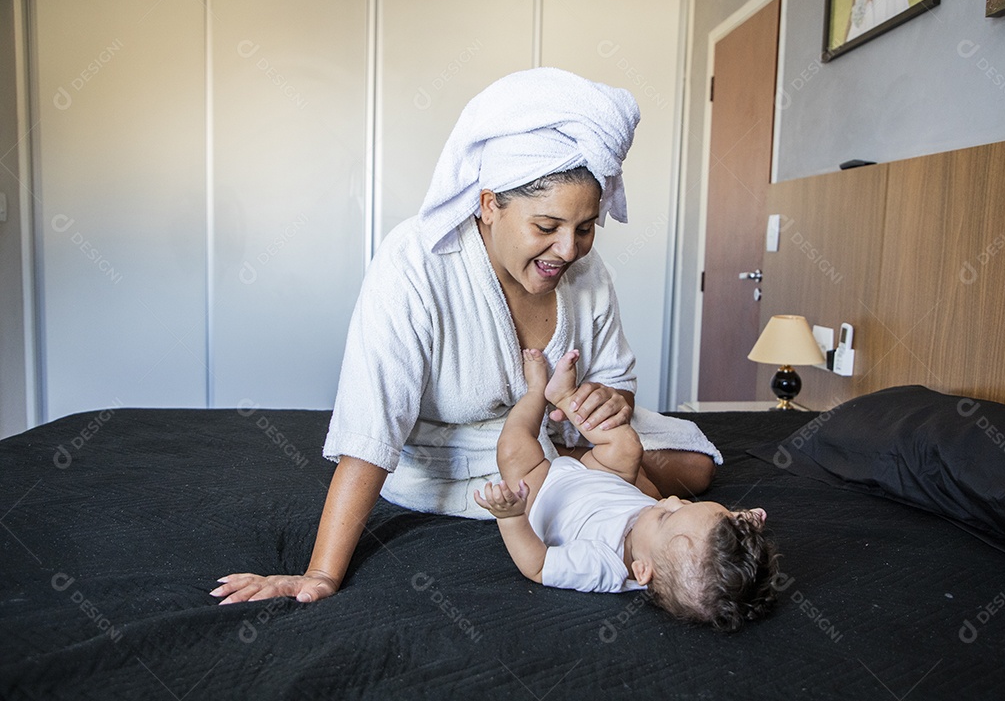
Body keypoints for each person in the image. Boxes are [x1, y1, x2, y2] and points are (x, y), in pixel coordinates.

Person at [212, 68, 721, 606]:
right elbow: (370, 425)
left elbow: (618, 383)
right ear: (489, 204)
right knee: (626, 475)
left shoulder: (588, 275)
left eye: (586, 228)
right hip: (456, 449)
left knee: (696, 467)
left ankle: (577, 476)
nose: (568, 251)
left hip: (567, 437)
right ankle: (575, 479)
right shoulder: (416, 264)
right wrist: (320, 574)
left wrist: (608, 403)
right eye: (546, 227)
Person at [476, 348, 777, 629]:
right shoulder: (668, 542)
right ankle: (564, 396)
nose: (672, 500)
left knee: (513, 449)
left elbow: (538, 567)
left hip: (545, 495)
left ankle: (535, 392)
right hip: (605, 478)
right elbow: (715, 536)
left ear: (642, 570)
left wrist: (511, 516)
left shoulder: (602, 566)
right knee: (628, 446)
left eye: (666, 517)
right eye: (686, 504)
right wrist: (740, 525)